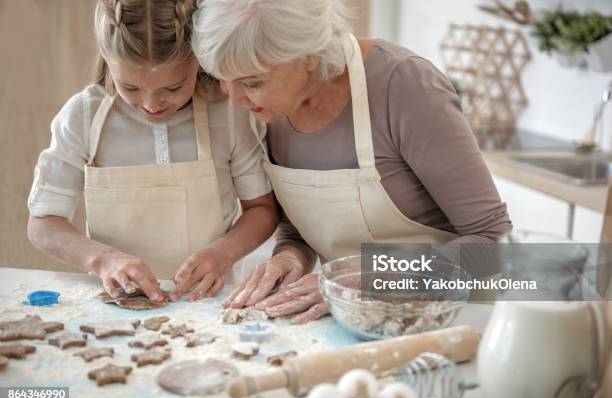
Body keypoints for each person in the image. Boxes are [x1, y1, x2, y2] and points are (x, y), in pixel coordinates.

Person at [192, 0, 512, 323]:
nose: (233, 102)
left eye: (251, 83)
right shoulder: (269, 110)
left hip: (452, 320)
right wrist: (290, 257)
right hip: (356, 323)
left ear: (308, 56)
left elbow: (493, 240)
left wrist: (375, 280)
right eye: (222, 80)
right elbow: (302, 230)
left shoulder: (403, 85)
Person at [26, 0, 278, 303]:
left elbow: (262, 210)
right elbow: (43, 224)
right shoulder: (83, 117)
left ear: (199, 60)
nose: (152, 104)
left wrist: (222, 254)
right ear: (108, 60)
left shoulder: (227, 114)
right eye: (130, 87)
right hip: (115, 306)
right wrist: (103, 259)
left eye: (173, 87)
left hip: (211, 303)